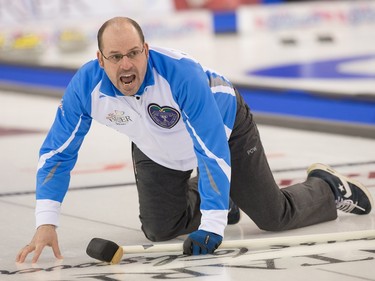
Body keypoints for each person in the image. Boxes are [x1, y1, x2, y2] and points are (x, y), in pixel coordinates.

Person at [16, 16, 373, 263]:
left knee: (273, 217)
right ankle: (220, 199)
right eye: (116, 57)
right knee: (159, 229)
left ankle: (328, 188)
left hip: (224, 130)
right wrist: (46, 222)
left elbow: (210, 148)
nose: (127, 65)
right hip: (156, 147)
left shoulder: (180, 75)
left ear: (146, 49)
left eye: (134, 53)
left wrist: (212, 223)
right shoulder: (86, 87)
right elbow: (57, 154)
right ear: (100, 59)